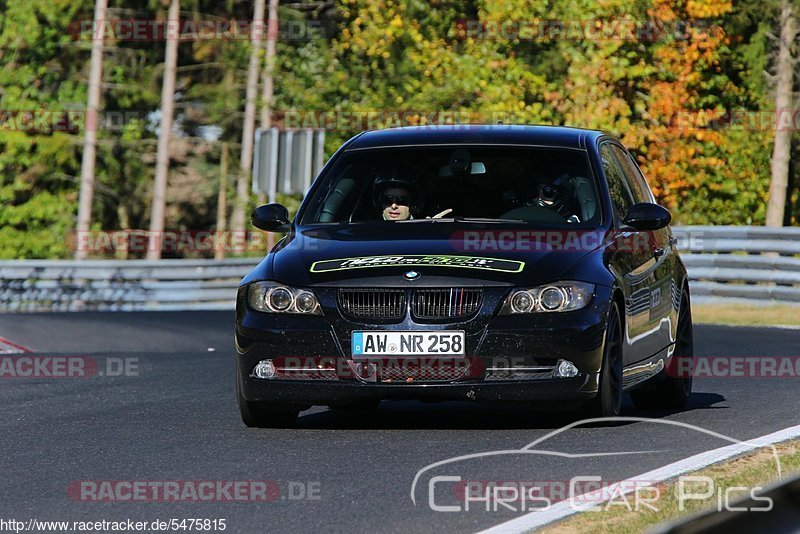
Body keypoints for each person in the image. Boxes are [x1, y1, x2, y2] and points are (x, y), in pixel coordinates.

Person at [372, 167, 452, 221]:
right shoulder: (367, 232)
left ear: (413, 204)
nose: (393, 206)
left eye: (401, 200)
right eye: (387, 200)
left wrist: (430, 230)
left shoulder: (422, 230)